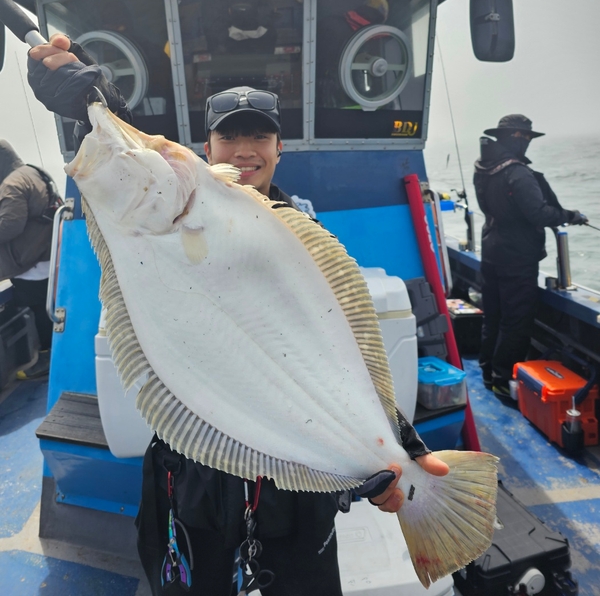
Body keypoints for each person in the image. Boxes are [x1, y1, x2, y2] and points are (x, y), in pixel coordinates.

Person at [28, 35, 449, 595]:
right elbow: (138, 169)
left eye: (259, 135)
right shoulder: (179, 212)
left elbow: (339, 354)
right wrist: (93, 105)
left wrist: (399, 446)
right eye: (229, 135)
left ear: (280, 148)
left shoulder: (302, 236)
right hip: (194, 476)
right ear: (206, 148)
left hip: (293, 491)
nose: (244, 149)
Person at [473, 114, 587, 398]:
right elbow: (538, 213)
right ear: (512, 138)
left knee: (494, 315)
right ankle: (502, 380)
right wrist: (571, 216)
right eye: (522, 137)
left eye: (527, 138)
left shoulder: (484, 167)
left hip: (491, 251)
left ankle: (487, 371)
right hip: (516, 258)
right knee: (516, 322)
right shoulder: (518, 172)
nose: (525, 143)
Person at [0, 140, 62, 379]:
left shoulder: (12, 184)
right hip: (46, 255)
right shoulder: (32, 172)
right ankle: (50, 355)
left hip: (30, 264)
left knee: (36, 310)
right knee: (45, 309)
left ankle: (45, 360)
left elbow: (9, 225)